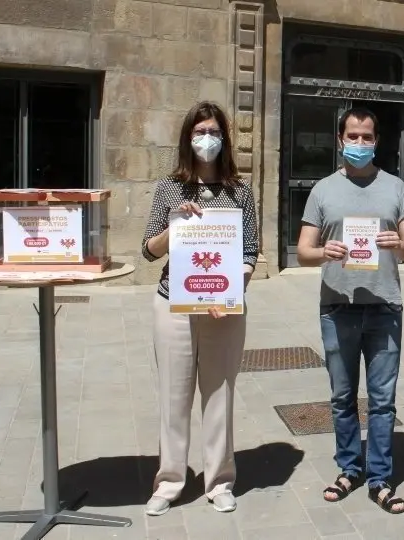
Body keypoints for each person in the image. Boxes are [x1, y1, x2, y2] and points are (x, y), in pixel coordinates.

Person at [296, 107, 404, 515]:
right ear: (340, 139)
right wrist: (323, 252)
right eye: (353, 136)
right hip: (337, 306)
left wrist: (396, 245)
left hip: (385, 307)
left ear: (377, 140)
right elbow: (303, 251)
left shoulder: (395, 187)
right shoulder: (323, 191)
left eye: (367, 137)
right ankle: (350, 468)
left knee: (382, 400)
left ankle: (381, 477)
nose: (361, 144)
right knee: (343, 396)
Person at [141, 101, 259, 515]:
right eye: (198, 132)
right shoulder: (169, 188)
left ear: (224, 139)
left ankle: (220, 479)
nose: (205, 139)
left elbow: (250, 251)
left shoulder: (240, 192)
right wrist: (175, 226)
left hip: (223, 308)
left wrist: (229, 292)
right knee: (173, 396)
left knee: (219, 394)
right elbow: (148, 250)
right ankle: (170, 481)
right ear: (187, 139)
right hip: (173, 301)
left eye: (212, 132)